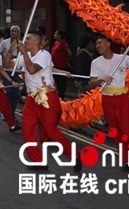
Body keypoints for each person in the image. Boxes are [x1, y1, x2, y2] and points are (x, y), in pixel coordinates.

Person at [17, 30, 80, 171]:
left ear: (37, 42)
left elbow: (32, 70)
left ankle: (74, 154)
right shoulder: (26, 55)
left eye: (28, 39)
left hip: (45, 96)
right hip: (31, 97)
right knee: (27, 129)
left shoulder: (44, 55)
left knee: (50, 131)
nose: (25, 41)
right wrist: (10, 52)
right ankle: (39, 161)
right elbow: (8, 64)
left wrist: (24, 53)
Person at [90, 37, 129, 169]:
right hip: (107, 99)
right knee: (116, 132)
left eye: (100, 43)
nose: (97, 46)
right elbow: (92, 82)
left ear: (108, 44)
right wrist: (101, 79)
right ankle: (126, 160)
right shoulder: (96, 62)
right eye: (96, 43)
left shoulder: (122, 58)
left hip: (122, 99)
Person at [50, 30, 72, 99]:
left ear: (59, 36)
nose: (54, 35)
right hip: (55, 65)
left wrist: (67, 60)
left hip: (61, 66)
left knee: (61, 83)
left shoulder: (63, 43)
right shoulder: (55, 43)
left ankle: (61, 97)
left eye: (56, 34)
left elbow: (69, 53)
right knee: (57, 82)